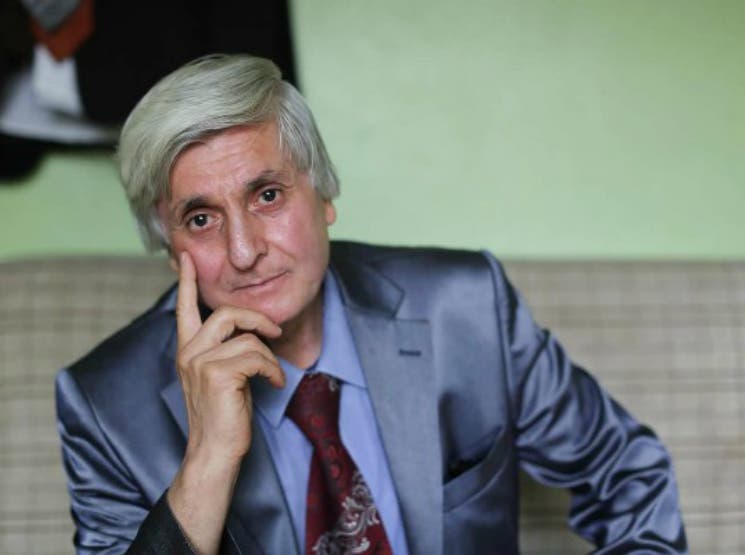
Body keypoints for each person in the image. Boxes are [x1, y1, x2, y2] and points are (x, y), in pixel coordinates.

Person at [56, 53, 687, 555]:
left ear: (324, 194)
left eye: (267, 195)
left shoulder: (466, 308)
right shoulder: (105, 405)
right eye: (201, 218)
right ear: (171, 252)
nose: (244, 251)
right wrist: (207, 461)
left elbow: (628, 472)